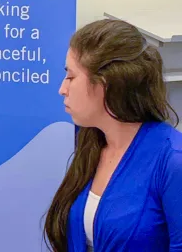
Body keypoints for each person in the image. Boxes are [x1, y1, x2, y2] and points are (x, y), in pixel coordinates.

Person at [43, 19, 182, 251]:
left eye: (71, 77)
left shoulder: (172, 161)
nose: (62, 89)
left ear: (105, 84)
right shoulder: (92, 141)